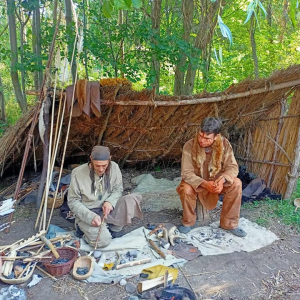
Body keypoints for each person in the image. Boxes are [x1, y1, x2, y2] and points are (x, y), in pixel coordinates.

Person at [176, 117, 246, 237]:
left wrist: (222, 180)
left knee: (237, 183)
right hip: (197, 183)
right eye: (200, 136)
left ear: (216, 136)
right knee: (186, 189)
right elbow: (186, 173)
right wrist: (204, 183)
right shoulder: (189, 145)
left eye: (207, 138)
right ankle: (188, 222)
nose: (202, 140)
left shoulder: (225, 144)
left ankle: (229, 223)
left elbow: (233, 167)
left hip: (217, 183)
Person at [68, 146, 143, 248]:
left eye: (104, 165)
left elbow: (118, 189)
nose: (101, 169)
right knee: (103, 241)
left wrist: (110, 202)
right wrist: (90, 217)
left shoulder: (114, 167)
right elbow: (73, 201)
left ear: (110, 159)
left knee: (131, 199)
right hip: (89, 212)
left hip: (106, 209)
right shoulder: (77, 173)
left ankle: (113, 230)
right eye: (97, 166)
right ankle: (84, 231)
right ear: (91, 159)